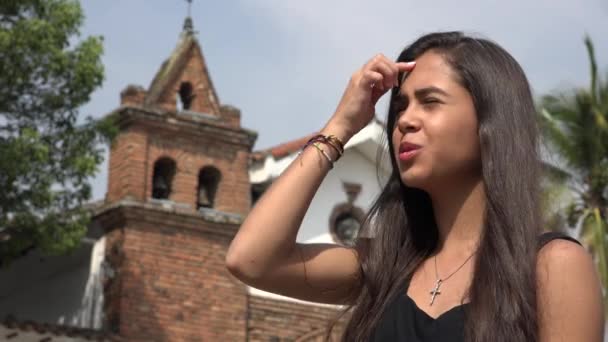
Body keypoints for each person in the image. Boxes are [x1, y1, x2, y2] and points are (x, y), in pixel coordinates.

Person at [225, 31, 605, 341]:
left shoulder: (551, 266)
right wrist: (340, 127)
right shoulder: (385, 268)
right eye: (401, 106)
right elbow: (252, 260)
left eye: (430, 102)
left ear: (490, 123)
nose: (405, 120)